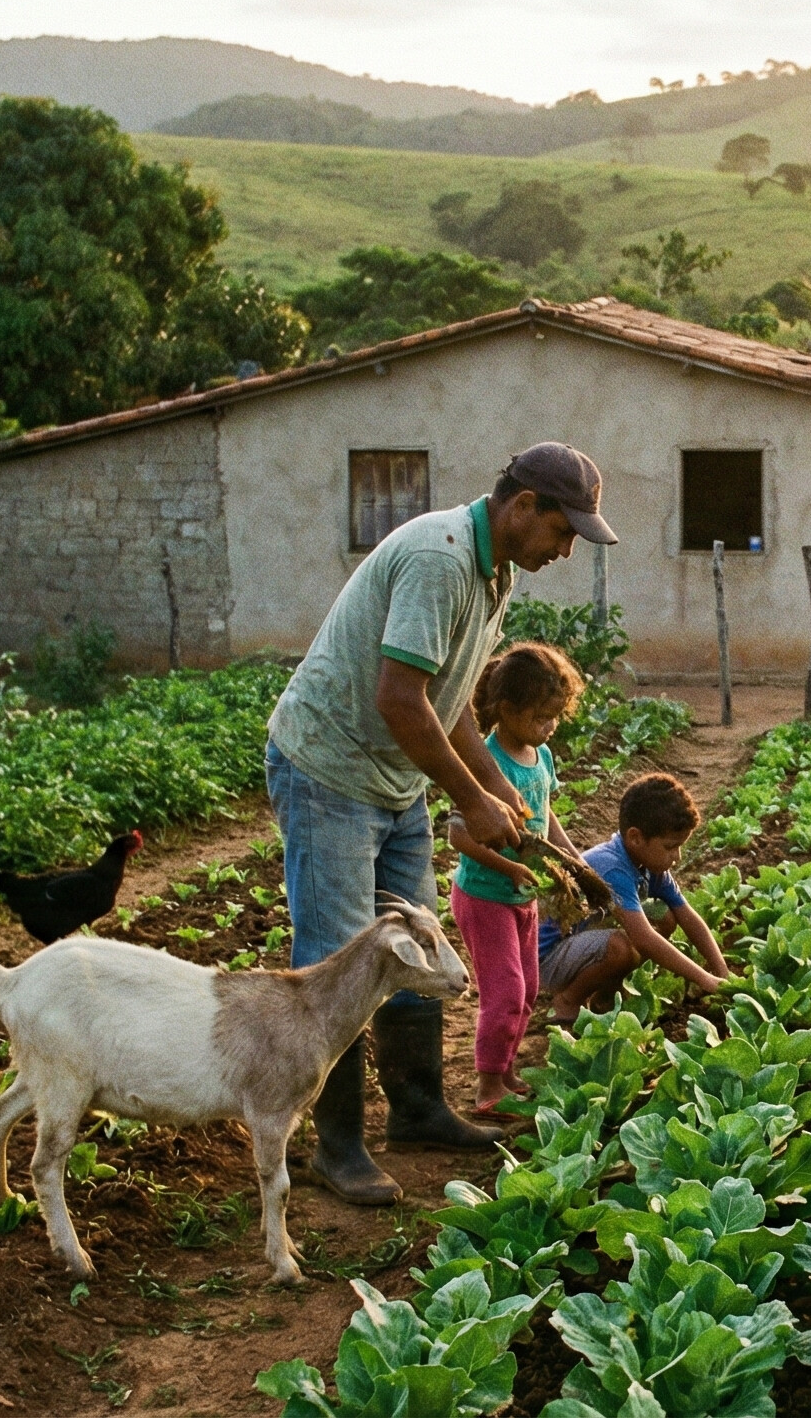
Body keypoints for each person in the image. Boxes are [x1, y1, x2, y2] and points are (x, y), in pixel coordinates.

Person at [264, 442, 617, 1204]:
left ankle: (418, 1110)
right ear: (522, 506)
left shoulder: (495, 575)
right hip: (329, 768)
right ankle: (336, 1145)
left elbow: (448, 697)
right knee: (341, 960)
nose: (566, 550)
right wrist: (469, 800)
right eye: (563, 532)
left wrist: (494, 786)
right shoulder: (440, 557)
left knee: (416, 940)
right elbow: (400, 699)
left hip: (390, 777)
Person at [443, 642, 587, 1114]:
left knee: (526, 992)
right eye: (542, 717)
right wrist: (513, 868)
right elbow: (458, 837)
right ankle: (486, 1088)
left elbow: (544, 815)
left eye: (556, 718)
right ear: (506, 710)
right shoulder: (484, 762)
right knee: (503, 993)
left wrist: (572, 859)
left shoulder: (539, 757)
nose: (550, 728)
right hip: (485, 896)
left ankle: (504, 1072)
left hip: (523, 897)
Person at [542, 774, 730, 1018]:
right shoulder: (612, 867)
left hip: (578, 940)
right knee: (622, 948)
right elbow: (644, 940)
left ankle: (605, 995)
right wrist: (705, 979)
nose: (678, 857)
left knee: (666, 917)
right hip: (546, 960)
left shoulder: (650, 865)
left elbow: (688, 917)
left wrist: (723, 973)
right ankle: (568, 1000)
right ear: (635, 838)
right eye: (670, 847)